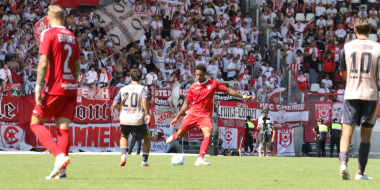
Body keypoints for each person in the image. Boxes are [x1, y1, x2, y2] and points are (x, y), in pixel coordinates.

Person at [166, 64, 254, 166]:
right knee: (179, 136)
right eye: (197, 75)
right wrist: (177, 118)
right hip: (192, 114)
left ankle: (199, 159)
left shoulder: (213, 84)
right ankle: (174, 136)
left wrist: (244, 97)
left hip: (205, 115)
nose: (198, 77)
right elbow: (186, 103)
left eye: (201, 75)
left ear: (205, 74)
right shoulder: (193, 88)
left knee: (208, 133)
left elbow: (228, 91)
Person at [30, 5, 81, 179]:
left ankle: (59, 156)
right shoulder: (73, 37)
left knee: (35, 123)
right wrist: (73, 83)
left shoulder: (49, 34)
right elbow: (77, 67)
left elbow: (43, 63)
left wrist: (38, 88)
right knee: (63, 129)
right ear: (64, 17)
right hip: (71, 87)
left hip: (55, 87)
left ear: (48, 17)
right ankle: (63, 172)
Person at [338, 17, 380, 180]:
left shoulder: (347, 47)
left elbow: (342, 73)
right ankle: (360, 173)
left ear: (354, 30)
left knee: (346, 133)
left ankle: (343, 164)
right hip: (370, 94)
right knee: (365, 136)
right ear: (370, 31)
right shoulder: (377, 47)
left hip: (351, 93)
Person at [112, 69, 151, 167]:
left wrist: (121, 110)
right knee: (147, 137)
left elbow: (114, 104)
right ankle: (144, 162)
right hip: (137, 119)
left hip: (125, 118)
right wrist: (148, 113)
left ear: (130, 78)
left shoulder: (123, 89)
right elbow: (144, 100)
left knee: (124, 136)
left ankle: (123, 157)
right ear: (141, 78)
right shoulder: (143, 88)